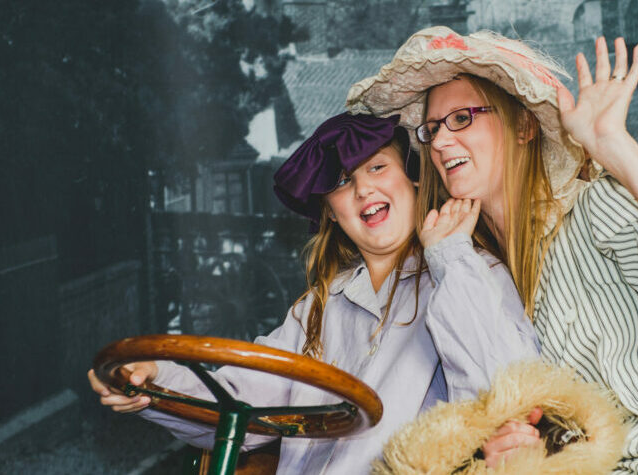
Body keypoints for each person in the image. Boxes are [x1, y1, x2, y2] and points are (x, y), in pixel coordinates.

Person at [347, 27, 638, 473]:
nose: (437, 142)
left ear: (523, 126)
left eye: (461, 119)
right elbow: (485, 401)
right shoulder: (471, 264)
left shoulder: (596, 208)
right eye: (432, 128)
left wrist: (616, 147)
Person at [87, 112, 539, 474]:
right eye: (341, 182)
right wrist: (154, 381)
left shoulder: (466, 273)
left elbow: (502, 396)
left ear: (414, 180)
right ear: (330, 211)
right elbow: (238, 408)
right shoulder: (316, 309)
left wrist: (449, 257)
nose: (363, 188)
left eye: (378, 167)